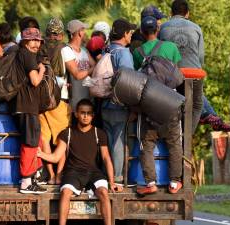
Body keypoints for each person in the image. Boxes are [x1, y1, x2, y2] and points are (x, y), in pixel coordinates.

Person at [37, 99, 121, 225]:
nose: (85, 116)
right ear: (76, 114)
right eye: (82, 113)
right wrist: (40, 153)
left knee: (104, 192)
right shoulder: (67, 133)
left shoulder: (99, 133)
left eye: (88, 113)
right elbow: (55, 157)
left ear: (93, 115)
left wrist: (112, 181)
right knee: (65, 193)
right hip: (73, 173)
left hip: (93, 172)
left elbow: (106, 158)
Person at [132, 16, 183, 195]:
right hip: (170, 103)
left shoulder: (138, 52)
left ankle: (150, 182)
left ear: (142, 32)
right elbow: (177, 71)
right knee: (174, 143)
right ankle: (175, 183)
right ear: (157, 29)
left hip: (150, 106)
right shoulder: (171, 47)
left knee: (146, 144)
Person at [10, 27, 47, 194]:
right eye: (32, 40)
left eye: (38, 40)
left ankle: (32, 178)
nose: (36, 44)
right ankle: (26, 181)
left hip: (22, 106)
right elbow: (35, 81)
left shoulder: (20, 54)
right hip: (26, 106)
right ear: (24, 41)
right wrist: (42, 70)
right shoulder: (27, 55)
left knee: (33, 141)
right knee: (30, 143)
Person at [159, 0, 204, 133]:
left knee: (171, 105)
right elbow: (200, 56)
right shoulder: (196, 28)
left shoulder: (163, 28)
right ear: (187, 14)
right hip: (193, 73)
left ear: (171, 13)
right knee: (196, 105)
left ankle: (174, 137)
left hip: (171, 74)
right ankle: (186, 135)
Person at [101, 18, 137, 185]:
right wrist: (132, 108)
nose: (131, 35)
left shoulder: (106, 50)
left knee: (107, 142)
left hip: (104, 105)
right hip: (119, 107)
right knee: (118, 143)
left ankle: (107, 177)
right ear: (124, 34)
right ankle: (116, 178)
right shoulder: (123, 53)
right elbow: (128, 83)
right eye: (130, 32)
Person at [38, 18, 70, 185]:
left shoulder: (40, 48)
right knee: (61, 140)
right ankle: (59, 175)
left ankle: (50, 175)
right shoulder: (64, 49)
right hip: (59, 100)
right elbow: (72, 73)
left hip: (41, 101)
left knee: (45, 140)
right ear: (61, 34)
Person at [61, 20, 96, 113]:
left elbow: (95, 66)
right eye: (83, 30)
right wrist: (90, 70)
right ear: (80, 33)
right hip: (75, 104)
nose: (85, 33)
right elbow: (77, 75)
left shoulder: (84, 50)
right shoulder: (67, 50)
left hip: (88, 101)